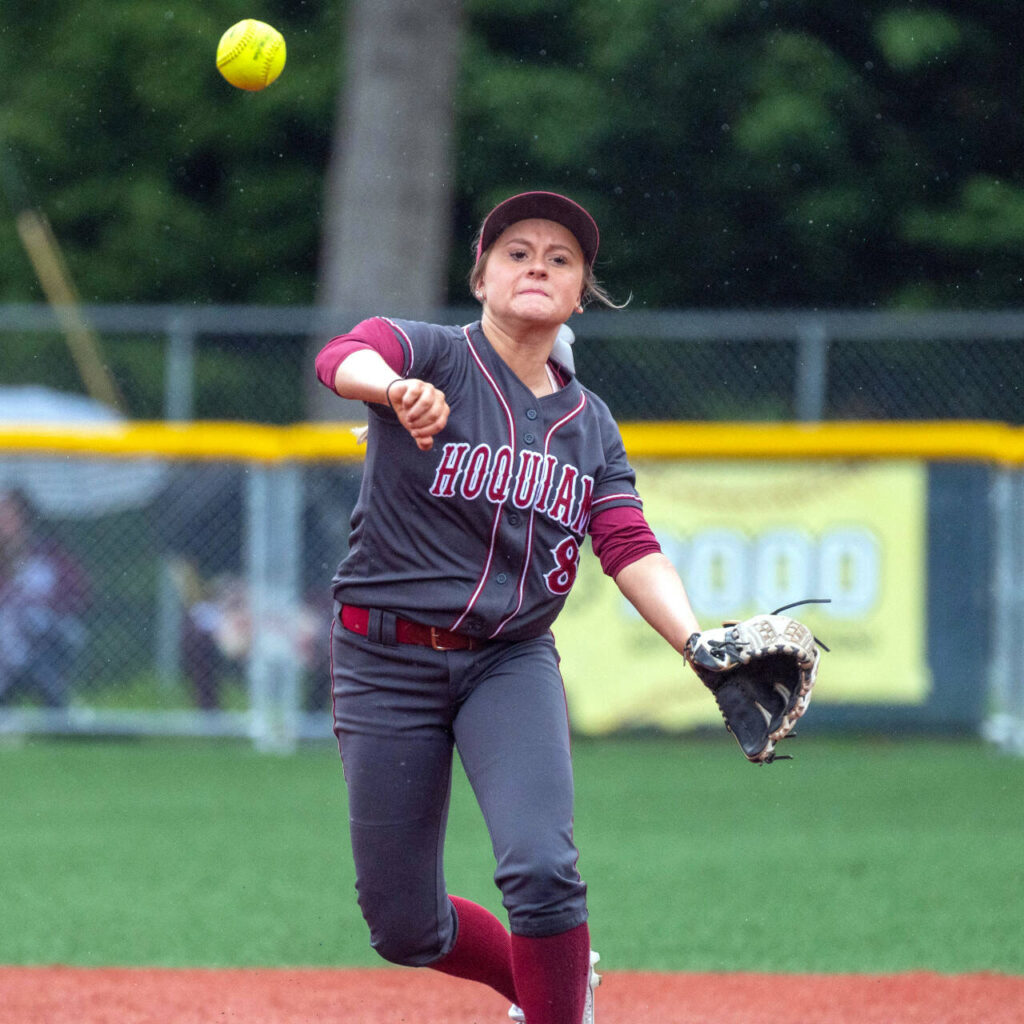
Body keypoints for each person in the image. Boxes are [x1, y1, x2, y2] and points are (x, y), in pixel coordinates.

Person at [314, 191, 703, 1024]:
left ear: (579, 295)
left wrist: (697, 644)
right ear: (481, 276)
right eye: (517, 250)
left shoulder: (590, 425)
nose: (538, 265)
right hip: (384, 659)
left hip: (508, 659)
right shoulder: (431, 357)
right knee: (404, 926)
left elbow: (629, 544)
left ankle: (559, 1008)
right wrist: (391, 390)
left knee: (539, 869)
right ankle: (553, 984)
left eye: (561, 259)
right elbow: (342, 355)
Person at [0, 489, 90, 709]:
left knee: (37, 621)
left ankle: (56, 712)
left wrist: (43, 604)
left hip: (42, 643)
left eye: (10, 516)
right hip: (5, 643)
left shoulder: (47, 554)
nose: (5, 524)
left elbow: (81, 593)